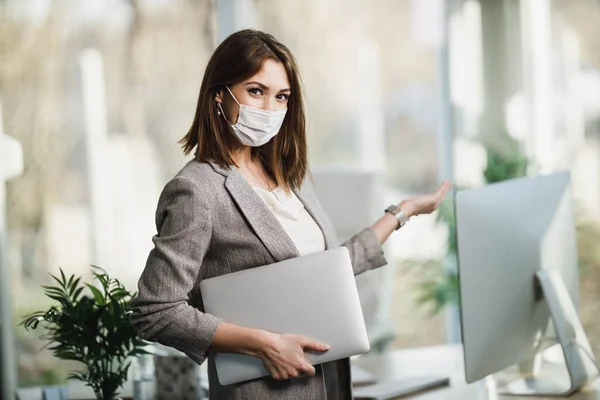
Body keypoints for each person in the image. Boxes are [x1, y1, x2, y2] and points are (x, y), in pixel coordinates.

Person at [130, 29, 452, 400]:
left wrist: (402, 211)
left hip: (329, 383)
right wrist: (262, 344)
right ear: (219, 94)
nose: (270, 110)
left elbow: (327, 271)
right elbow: (155, 310)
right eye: (256, 91)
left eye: (281, 96)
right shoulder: (197, 189)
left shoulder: (288, 177)